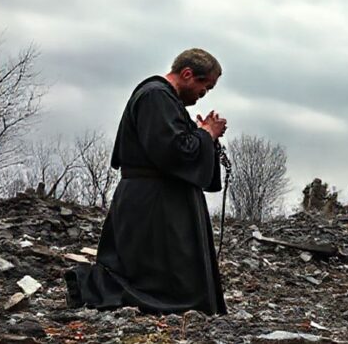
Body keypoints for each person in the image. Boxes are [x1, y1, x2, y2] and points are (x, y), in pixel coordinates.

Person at [64, 49, 228, 315]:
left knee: (163, 266)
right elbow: (173, 151)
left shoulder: (167, 101)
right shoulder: (156, 96)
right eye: (204, 87)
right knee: (147, 268)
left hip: (159, 197)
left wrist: (202, 135)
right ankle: (88, 287)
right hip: (151, 198)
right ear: (187, 74)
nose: (203, 96)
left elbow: (180, 145)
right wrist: (205, 134)